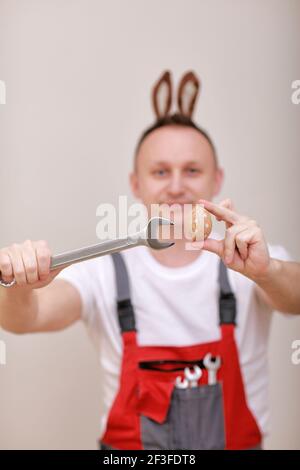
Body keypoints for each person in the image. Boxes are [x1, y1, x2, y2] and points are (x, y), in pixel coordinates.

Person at [0, 71, 299, 450]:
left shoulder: (249, 259)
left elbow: (295, 298)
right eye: (160, 171)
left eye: (192, 170)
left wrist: (268, 271)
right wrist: (19, 288)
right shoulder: (103, 271)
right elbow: (25, 318)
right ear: (136, 184)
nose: (176, 186)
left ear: (216, 179)